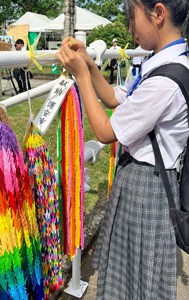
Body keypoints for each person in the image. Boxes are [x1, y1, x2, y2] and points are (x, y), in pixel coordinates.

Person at [57, 0, 189, 299]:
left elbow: (105, 132)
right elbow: (116, 98)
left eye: (132, 16)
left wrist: (80, 76)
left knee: (136, 276)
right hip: (148, 180)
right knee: (132, 271)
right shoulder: (164, 64)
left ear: (158, 13)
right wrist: (90, 65)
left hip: (146, 186)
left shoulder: (165, 81)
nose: (130, 28)